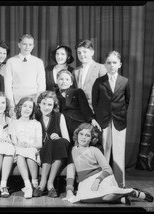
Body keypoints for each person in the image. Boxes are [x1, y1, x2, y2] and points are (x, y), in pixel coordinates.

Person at [64, 123, 153, 204]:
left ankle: (133, 192)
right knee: (82, 198)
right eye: (81, 134)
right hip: (84, 181)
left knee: (108, 194)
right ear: (77, 134)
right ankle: (120, 199)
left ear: (92, 138)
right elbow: (70, 173)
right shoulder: (72, 151)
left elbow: (108, 169)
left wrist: (97, 180)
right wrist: (69, 190)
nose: (83, 137)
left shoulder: (94, 150)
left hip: (101, 177)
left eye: (87, 135)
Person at [55, 69, 101, 199]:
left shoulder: (77, 92)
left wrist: (92, 120)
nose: (63, 81)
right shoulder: (53, 95)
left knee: (78, 149)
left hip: (78, 125)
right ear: (57, 81)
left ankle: (83, 184)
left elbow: (85, 108)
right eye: (61, 79)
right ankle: (71, 187)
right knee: (70, 150)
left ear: (71, 82)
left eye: (67, 79)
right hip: (63, 128)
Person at [92, 51, 130, 188]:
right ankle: (103, 183)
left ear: (119, 64)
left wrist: (119, 113)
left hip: (119, 120)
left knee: (119, 152)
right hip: (103, 120)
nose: (111, 65)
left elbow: (127, 101)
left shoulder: (124, 81)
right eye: (109, 63)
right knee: (105, 151)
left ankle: (120, 184)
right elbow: (95, 102)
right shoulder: (99, 81)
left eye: (114, 62)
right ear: (105, 65)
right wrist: (100, 116)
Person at [33, 91, 70, 198]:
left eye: (50, 104)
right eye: (44, 104)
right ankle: (45, 184)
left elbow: (67, 140)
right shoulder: (35, 117)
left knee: (60, 142)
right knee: (49, 143)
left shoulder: (59, 116)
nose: (46, 107)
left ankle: (47, 184)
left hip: (59, 150)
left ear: (54, 106)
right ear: (39, 104)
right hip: (42, 150)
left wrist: (58, 137)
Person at [9, 97, 42, 199]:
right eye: (25, 106)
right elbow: (14, 141)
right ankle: (28, 185)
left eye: (30, 107)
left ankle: (34, 183)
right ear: (19, 107)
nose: (27, 109)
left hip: (33, 148)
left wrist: (29, 145)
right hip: (19, 149)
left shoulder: (36, 124)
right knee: (19, 153)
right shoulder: (14, 123)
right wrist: (19, 144)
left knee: (30, 152)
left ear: (33, 110)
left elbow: (39, 144)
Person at [5, 33, 46, 112]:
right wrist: (11, 105)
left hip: (33, 103)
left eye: (30, 44)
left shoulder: (38, 62)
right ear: (19, 45)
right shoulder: (11, 62)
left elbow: (41, 85)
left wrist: (36, 104)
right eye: (24, 44)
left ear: (33, 46)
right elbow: (8, 85)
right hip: (16, 103)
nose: (27, 47)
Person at [72, 40, 106, 111]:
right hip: (80, 110)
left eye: (84, 52)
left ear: (92, 52)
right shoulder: (75, 71)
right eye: (79, 53)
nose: (82, 55)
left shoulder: (101, 68)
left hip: (96, 110)